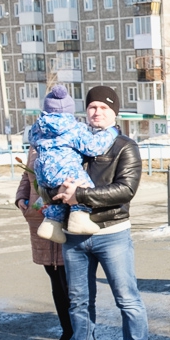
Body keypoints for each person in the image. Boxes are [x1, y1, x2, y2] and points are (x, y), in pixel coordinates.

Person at [46, 86, 150, 340]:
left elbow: (125, 189)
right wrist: (56, 191)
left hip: (111, 232)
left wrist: (80, 195)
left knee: (127, 299)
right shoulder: (71, 141)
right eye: (92, 107)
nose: (97, 112)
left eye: (104, 107)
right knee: (78, 301)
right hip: (75, 235)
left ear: (114, 112)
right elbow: (51, 175)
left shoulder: (124, 146)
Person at [27, 84, 119, 242]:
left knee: (59, 198)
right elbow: (93, 146)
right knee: (83, 185)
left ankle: (51, 224)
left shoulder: (37, 127)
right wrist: (111, 132)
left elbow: (33, 141)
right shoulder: (73, 128)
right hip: (64, 169)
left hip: (42, 172)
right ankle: (79, 220)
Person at [15, 147, 72, 340]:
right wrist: (21, 197)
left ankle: (82, 336)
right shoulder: (35, 146)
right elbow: (27, 175)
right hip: (39, 217)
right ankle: (67, 333)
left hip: (65, 216)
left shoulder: (71, 142)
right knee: (55, 279)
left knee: (71, 282)